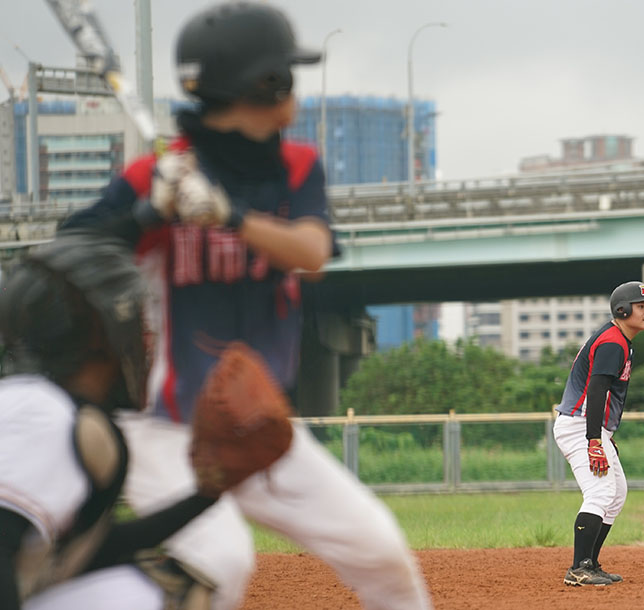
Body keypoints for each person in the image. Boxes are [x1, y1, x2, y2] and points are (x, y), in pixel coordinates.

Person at [59, 2, 430, 608]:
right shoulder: (157, 175)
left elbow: (311, 251)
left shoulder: (295, 167)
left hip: (256, 422)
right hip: (162, 431)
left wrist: (227, 215)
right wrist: (147, 214)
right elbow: (66, 254)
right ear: (267, 86)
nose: (295, 89)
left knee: (380, 549)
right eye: (288, 74)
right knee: (221, 560)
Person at [0, 232, 232, 609]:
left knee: (146, 586)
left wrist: (205, 495)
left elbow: (84, 554)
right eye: (136, 315)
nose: (145, 335)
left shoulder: (50, 409)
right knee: (140, 597)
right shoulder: (37, 411)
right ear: (99, 330)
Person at [553, 281, 644, 586]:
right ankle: (578, 569)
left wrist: (602, 433)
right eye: (642, 306)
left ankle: (590, 563)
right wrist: (594, 441)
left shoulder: (620, 340)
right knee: (600, 493)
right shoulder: (614, 342)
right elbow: (597, 389)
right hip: (579, 425)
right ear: (622, 310)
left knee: (616, 494)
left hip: (588, 425)